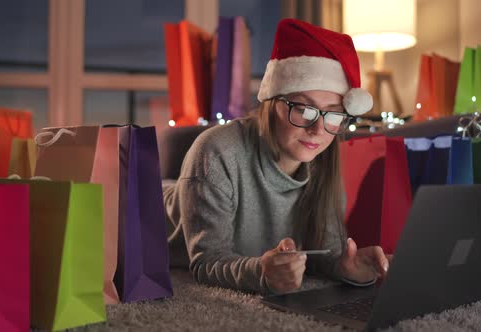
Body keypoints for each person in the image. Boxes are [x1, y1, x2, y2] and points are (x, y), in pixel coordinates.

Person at [164, 18, 390, 294]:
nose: (318, 129)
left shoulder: (324, 162)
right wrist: (261, 272)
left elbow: (325, 253)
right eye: (304, 109)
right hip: (144, 208)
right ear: (272, 103)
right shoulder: (216, 151)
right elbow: (206, 262)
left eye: (333, 114)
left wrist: (346, 266)